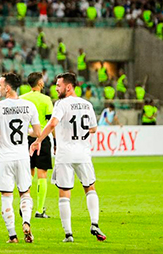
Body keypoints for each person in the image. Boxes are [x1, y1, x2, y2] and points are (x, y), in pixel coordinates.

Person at [30, 72, 106, 243]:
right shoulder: (87, 104)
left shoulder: (61, 104)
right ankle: (94, 223)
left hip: (65, 154)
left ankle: (68, 234)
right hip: (83, 153)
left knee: (64, 193)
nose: (56, 88)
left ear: (69, 87)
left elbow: (53, 123)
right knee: (90, 188)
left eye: (59, 85)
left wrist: (38, 141)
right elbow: (94, 128)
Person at [0, 72, 41, 243]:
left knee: (6, 196)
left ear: (8, 88)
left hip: (5, 157)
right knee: (25, 193)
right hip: (22, 157)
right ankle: (26, 222)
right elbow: (37, 132)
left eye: (0, 84)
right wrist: (26, 132)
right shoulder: (29, 106)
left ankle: (12, 235)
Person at [20, 72, 54, 219]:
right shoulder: (46, 99)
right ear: (40, 83)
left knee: (28, 173)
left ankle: (24, 204)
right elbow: (51, 122)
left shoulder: (22, 99)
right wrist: (56, 141)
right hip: (42, 138)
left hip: (26, 138)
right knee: (42, 174)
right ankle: (39, 210)